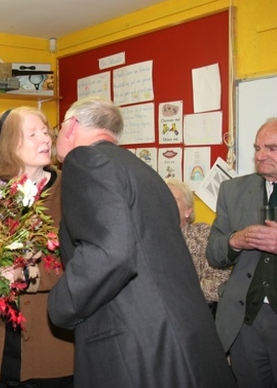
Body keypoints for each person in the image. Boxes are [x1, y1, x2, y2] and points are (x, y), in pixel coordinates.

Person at [47, 97, 236, 388]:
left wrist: (60, 305)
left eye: (58, 128)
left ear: (71, 126)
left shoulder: (85, 160)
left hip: (139, 345)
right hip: (183, 338)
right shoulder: (144, 172)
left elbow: (111, 253)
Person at [0, 107, 75, 387]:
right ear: (8, 145)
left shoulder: (71, 191)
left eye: (45, 131)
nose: (45, 139)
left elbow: (84, 262)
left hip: (51, 349)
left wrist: (21, 275)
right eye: (32, 134)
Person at [206, 117, 277, 387]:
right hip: (245, 320)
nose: (261, 155)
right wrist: (235, 240)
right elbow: (213, 251)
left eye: (271, 148)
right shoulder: (233, 190)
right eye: (257, 148)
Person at [166, 178, 230, 315]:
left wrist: (183, 292)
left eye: (173, 199)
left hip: (195, 312)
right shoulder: (146, 236)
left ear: (187, 211)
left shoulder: (202, 234)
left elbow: (221, 280)